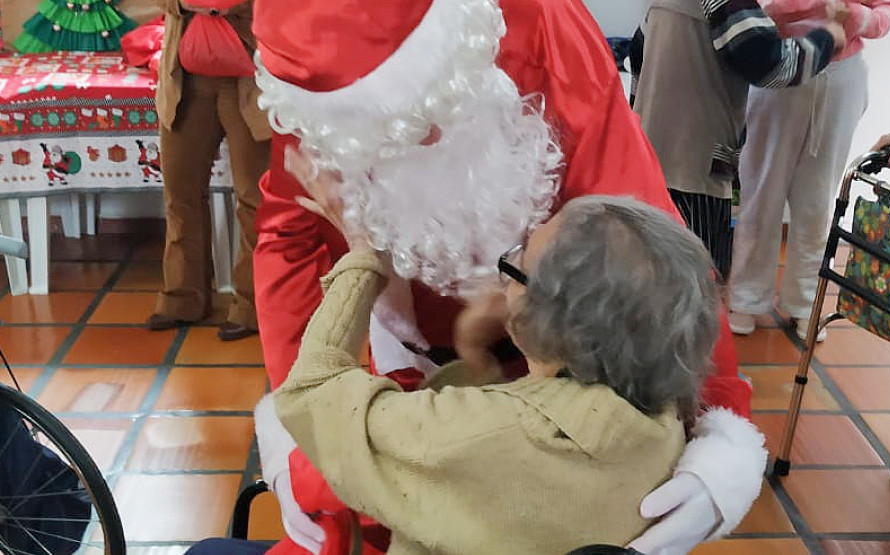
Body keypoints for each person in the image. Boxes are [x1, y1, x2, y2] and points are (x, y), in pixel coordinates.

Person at [249, 1, 766, 554]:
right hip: (401, 367)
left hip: (564, 362)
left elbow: (646, 246)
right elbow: (290, 237)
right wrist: (298, 451)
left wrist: (719, 437)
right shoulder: (310, 64)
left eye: (421, 121)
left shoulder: (545, 33)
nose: (407, 146)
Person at [277, 182, 726, 553]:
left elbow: (312, 393)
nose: (504, 280)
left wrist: (363, 256)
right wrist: (478, 356)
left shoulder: (474, 437)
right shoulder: (667, 423)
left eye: (517, 262)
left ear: (554, 316)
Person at [632, 0, 847, 278]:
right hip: (697, 170)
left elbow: (637, 57)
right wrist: (828, 37)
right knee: (698, 278)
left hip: (648, 160)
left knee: (651, 272)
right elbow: (771, 64)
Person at [727, 0, 890, 341]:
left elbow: (884, 15)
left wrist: (855, 16)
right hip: (779, 70)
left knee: (818, 200)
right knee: (761, 193)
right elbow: (753, 9)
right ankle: (746, 297)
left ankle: (806, 303)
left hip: (842, 77)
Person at [146, 0, 270, 341]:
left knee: (255, 199)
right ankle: (182, 299)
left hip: (251, 79)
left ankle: (252, 308)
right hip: (185, 78)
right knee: (180, 192)